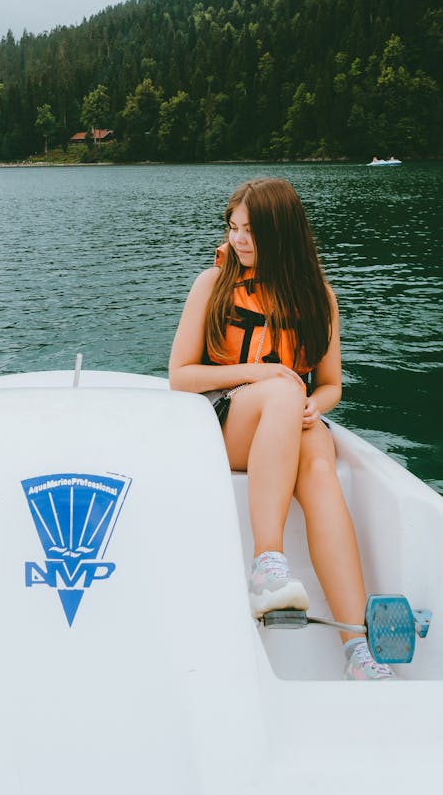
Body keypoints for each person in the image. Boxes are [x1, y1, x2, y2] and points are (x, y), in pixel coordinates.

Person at [168, 176, 394, 681]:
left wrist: (314, 403)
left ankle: (358, 647)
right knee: (282, 394)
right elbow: (180, 377)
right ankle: (268, 564)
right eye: (234, 228)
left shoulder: (320, 297)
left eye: (251, 230)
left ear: (281, 232)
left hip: (290, 422)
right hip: (225, 423)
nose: (240, 240)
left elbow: (331, 383)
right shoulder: (213, 284)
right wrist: (263, 374)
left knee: (318, 461)